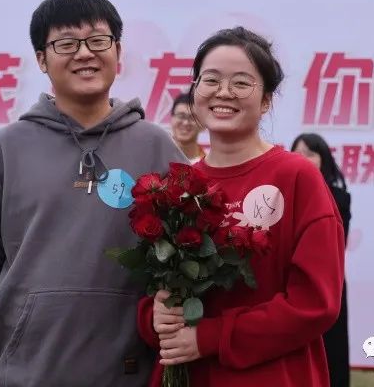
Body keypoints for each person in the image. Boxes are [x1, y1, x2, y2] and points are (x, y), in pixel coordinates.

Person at [0, 0, 186, 387]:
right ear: (41, 59)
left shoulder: (157, 148)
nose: (84, 53)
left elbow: (185, 259)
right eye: (66, 43)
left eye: (98, 40)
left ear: (118, 51)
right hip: (23, 375)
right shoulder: (7, 148)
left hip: (128, 374)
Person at [139, 27, 345, 386]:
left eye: (241, 83)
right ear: (195, 91)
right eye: (211, 80)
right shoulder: (178, 186)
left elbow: (315, 302)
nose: (223, 92)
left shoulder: (296, 177)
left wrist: (211, 337)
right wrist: (153, 315)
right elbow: (145, 289)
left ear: (266, 100)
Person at [291, 133, 352, 387]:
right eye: (297, 153)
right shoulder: (280, 195)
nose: (303, 158)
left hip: (327, 282)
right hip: (291, 281)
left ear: (323, 159)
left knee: (331, 347)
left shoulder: (338, 196)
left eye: (310, 154)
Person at [170, 93, 206, 164]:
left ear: (203, 124)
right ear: (172, 119)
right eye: (181, 116)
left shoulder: (210, 165)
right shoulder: (156, 160)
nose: (186, 123)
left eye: (192, 118)